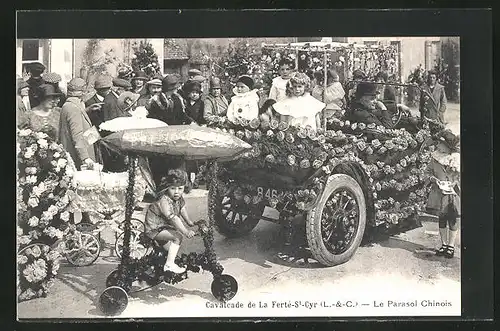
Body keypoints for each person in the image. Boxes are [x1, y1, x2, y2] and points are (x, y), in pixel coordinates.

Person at [144, 169, 197, 273]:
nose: (177, 192)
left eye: (180, 188)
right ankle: (169, 266)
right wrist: (186, 231)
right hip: (154, 228)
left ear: (184, 188)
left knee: (171, 251)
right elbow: (173, 218)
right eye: (173, 188)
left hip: (163, 227)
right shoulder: (164, 200)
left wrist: (189, 222)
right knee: (177, 237)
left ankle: (163, 267)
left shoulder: (179, 198)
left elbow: (182, 209)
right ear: (167, 188)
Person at [426, 130, 460, 258]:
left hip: (453, 195)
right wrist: (433, 179)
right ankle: (444, 244)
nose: (438, 146)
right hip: (439, 194)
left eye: (440, 144)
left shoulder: (456, 159)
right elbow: (427, 172)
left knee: (453, 219)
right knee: (441, 219)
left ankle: (451, 245)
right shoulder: (435, 158)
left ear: (447, 146)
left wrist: (455, 182)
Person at [59, 78, 98, 171]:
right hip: (78, 156)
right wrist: (85, 158)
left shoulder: (74, 105)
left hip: (82, 150)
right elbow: (77, 134)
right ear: (82, 92)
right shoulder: (72, 107)